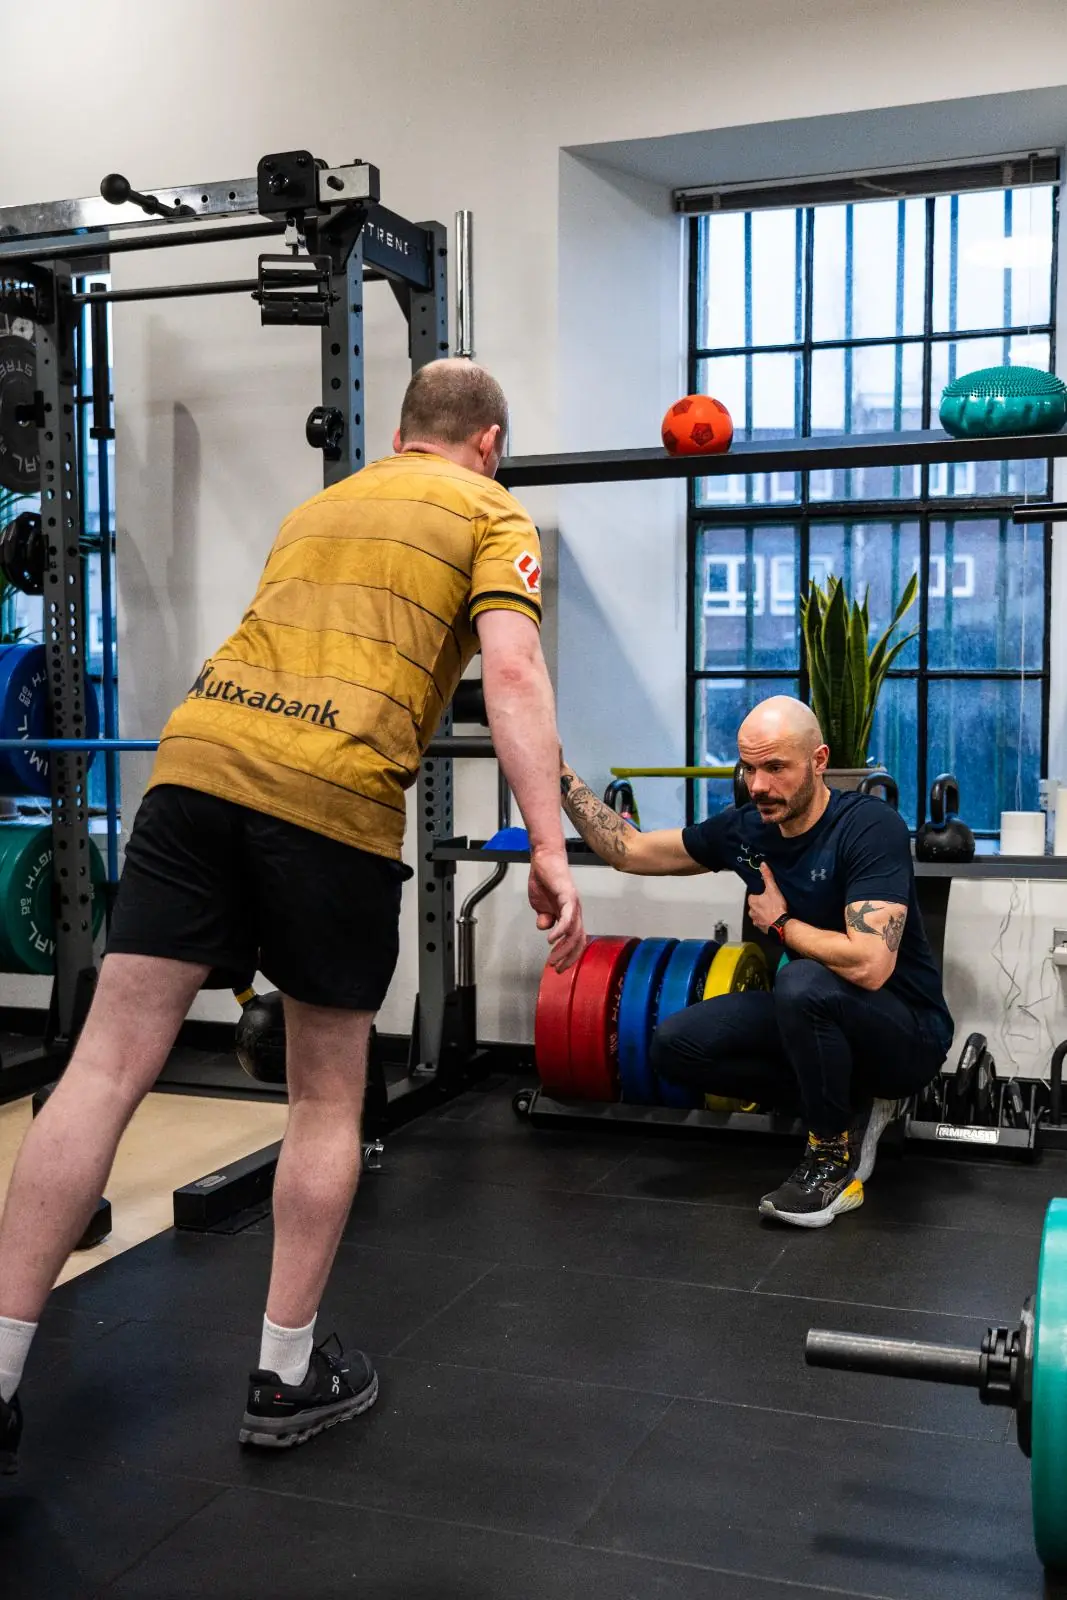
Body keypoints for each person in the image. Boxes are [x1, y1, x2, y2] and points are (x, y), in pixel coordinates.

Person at [0, 359, 585, 1472]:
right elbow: (508, 673)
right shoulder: (492, 513)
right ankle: (283, 1371)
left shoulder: (316, 507)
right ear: (488, 441)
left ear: (405, 432)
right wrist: (546, 844)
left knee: (104, 1069)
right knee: (325, 1093)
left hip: (195, 763)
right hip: (332, 795)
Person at [560, 695, 953, 1229]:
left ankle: (831, 1163)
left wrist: (781, 925)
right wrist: (555, 771)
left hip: (906, 1032)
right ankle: (845, 1109)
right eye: (747, 768)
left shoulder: (868, 826)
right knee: (675, 1046)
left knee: (802, 982)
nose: (758, 785)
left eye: (775, 768)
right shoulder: (747, 832)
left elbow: (869, 965)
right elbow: (628, 849)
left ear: (819, 761)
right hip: (817, 1011)